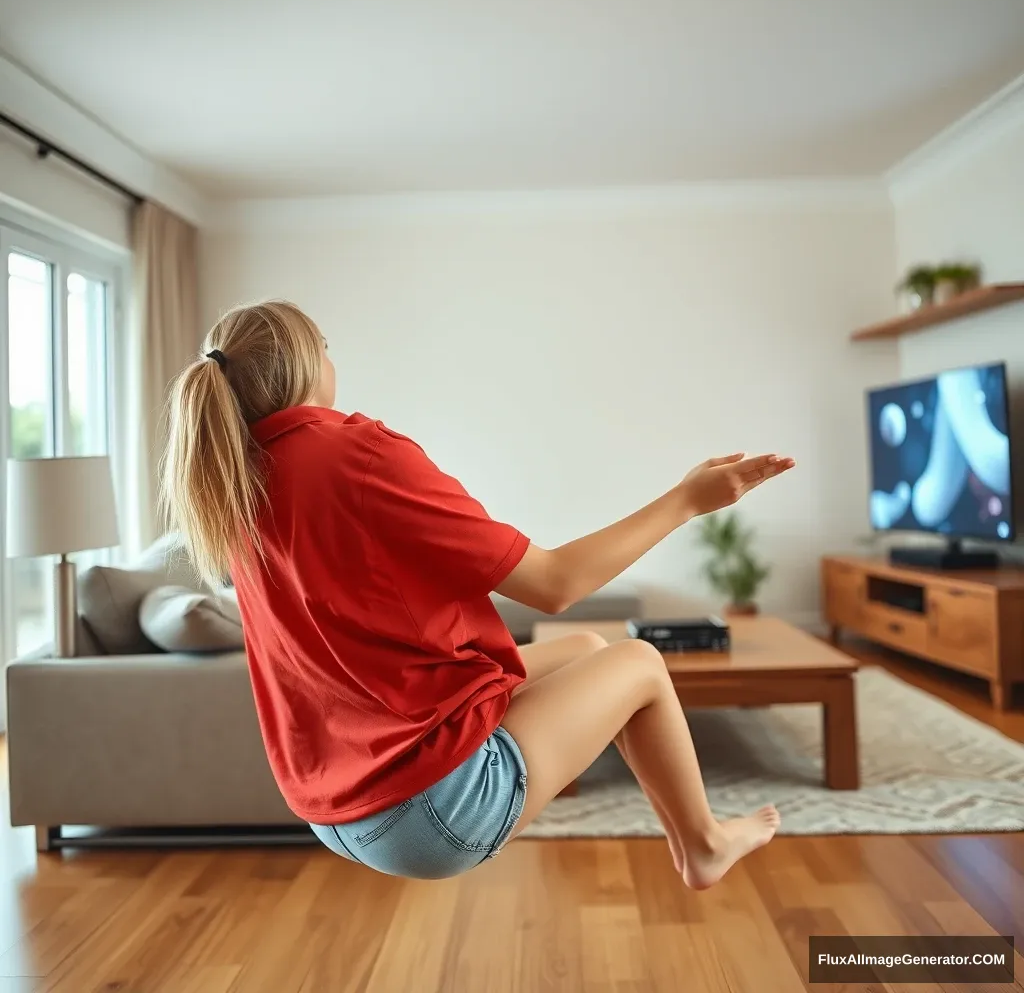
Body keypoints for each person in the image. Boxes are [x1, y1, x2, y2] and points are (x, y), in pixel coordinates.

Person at [161, 299, 795, 884]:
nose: (334, 361)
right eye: (326, 346)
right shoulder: (357, 455)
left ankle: (691, 845)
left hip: (337, 811)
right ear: (304, 365)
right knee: (641, 662)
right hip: (430, 810)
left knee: (585, 648)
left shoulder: (235, 479)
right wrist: (686, 500)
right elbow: (554, 583)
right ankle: (704, 844)